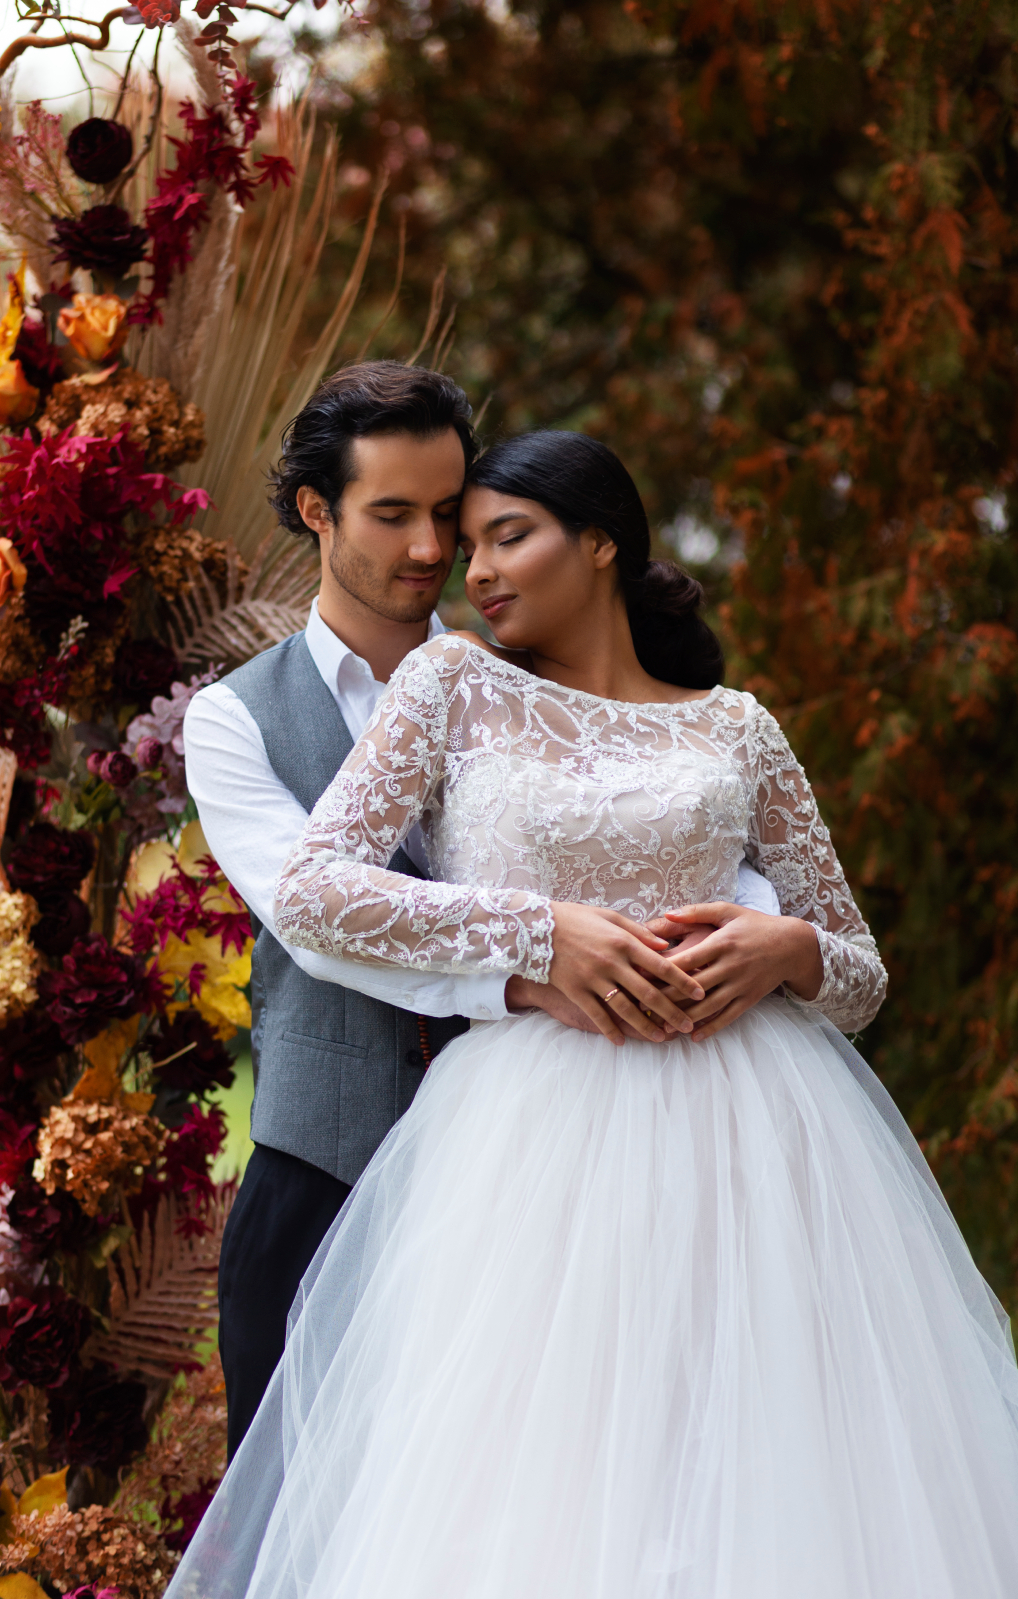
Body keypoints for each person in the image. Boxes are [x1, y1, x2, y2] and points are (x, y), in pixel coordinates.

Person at [172, 429, 1018, 1598]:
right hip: (533, 1143)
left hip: (759, 1143)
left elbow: (861, 977)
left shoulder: (739, 728)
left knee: (760, 1465)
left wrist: (787, 949)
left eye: (504, 536)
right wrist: (534, 934)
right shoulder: (451, 684)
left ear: (602, 540)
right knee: (545, 1477)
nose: (472, 571)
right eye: (465, 546)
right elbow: (316, 892)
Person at [183, 364, 779, 1454]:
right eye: (392, 514)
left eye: (448, 521)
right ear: (317, 512)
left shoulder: (534, 670)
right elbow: (318, 924)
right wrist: (537, 949)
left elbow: (681, 832)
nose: (428, 552)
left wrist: (747, 931)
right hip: (326, 1171)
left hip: (565, 1182)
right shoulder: (232, 721)